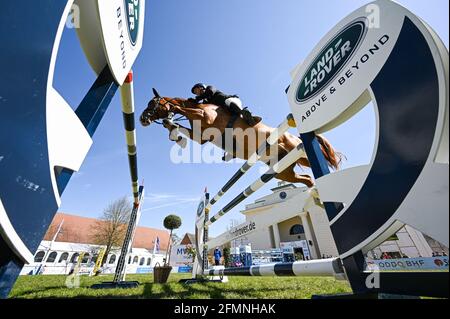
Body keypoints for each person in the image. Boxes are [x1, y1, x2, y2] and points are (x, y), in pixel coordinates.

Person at [191, 83, 257, 126]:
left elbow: (210, 92)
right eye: (195, 93)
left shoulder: (209, 88)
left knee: (227, 101)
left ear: (202, 87)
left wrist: (196, 99)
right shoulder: (205, 101)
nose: (196, 93)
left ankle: (247, 116)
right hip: (227, 111)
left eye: (196, 90)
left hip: (232, 100)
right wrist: (193, 103)